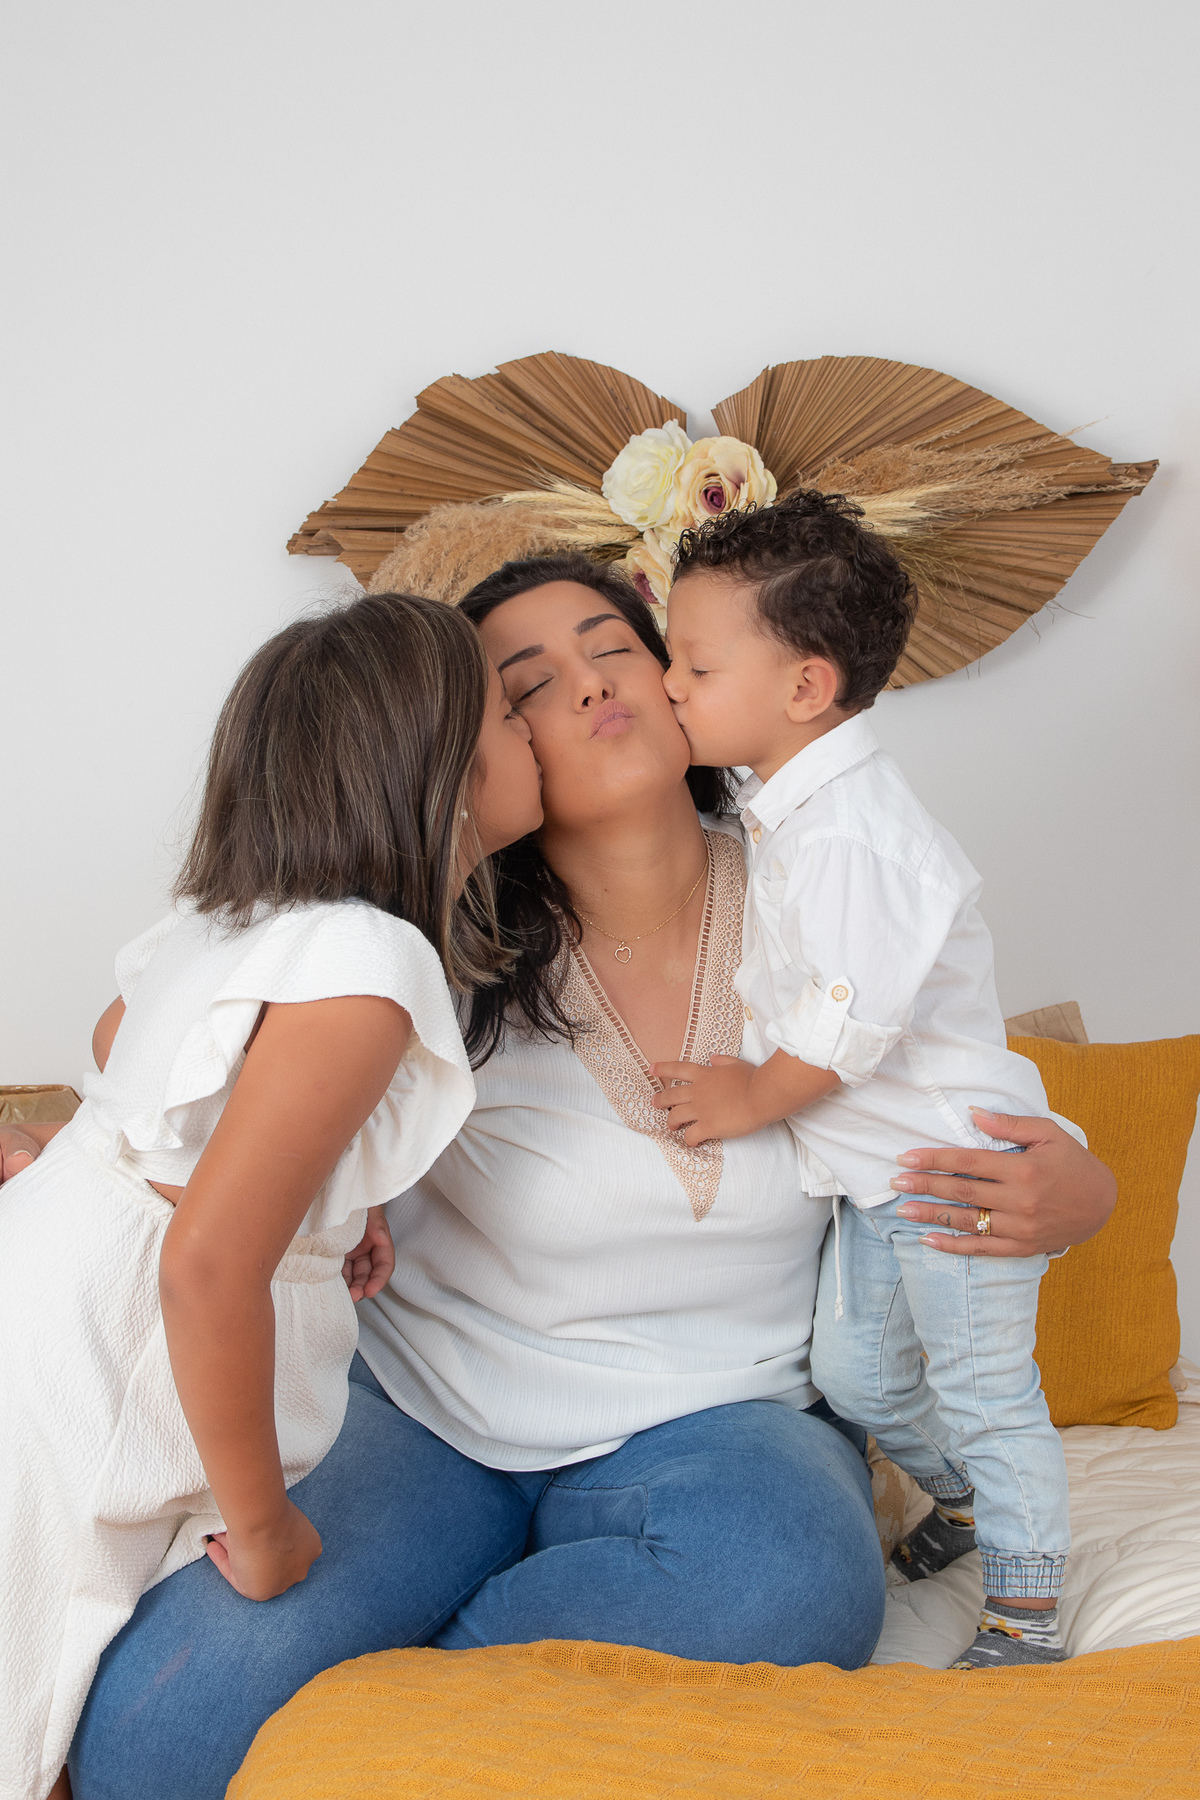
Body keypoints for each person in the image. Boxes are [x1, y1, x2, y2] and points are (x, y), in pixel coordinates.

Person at [0, 556, 1115, 1800]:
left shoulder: (827, 878)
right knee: (156, 1742)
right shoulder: (419, 931)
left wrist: (1082, 1191)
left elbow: (958, 1074)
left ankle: (399, 1692)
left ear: (684, 679)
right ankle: (458, 1635)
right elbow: (158, 1027)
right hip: (424, 1411)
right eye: (523, 686)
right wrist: (139, 1164)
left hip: (720, 1421)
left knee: (794, 1586)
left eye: (615, 648)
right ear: (467, 757)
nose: (585, 689)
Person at [0, 589, 543, 1800]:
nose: (535, 729)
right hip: (111, 1336)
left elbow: (134, 1066)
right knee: (24, 1668)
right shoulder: (372, 961)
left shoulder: (225, 923)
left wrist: (326, 1207)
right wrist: (262, 1531)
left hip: (50, 1279)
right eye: (509, 710)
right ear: (440, 774)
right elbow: (203, 1264)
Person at [656, 492, 1072, 1671]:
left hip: (956, 1171)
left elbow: (847, 1022)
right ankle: (965, 1503)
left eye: (695, 665)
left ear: (805, 688)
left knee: (989, 1392)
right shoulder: (787, 808)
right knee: (858, 1373)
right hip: (882, 1177)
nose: (671, 685)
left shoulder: (850, 830)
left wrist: (744, 1094)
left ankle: (1031, 1607)